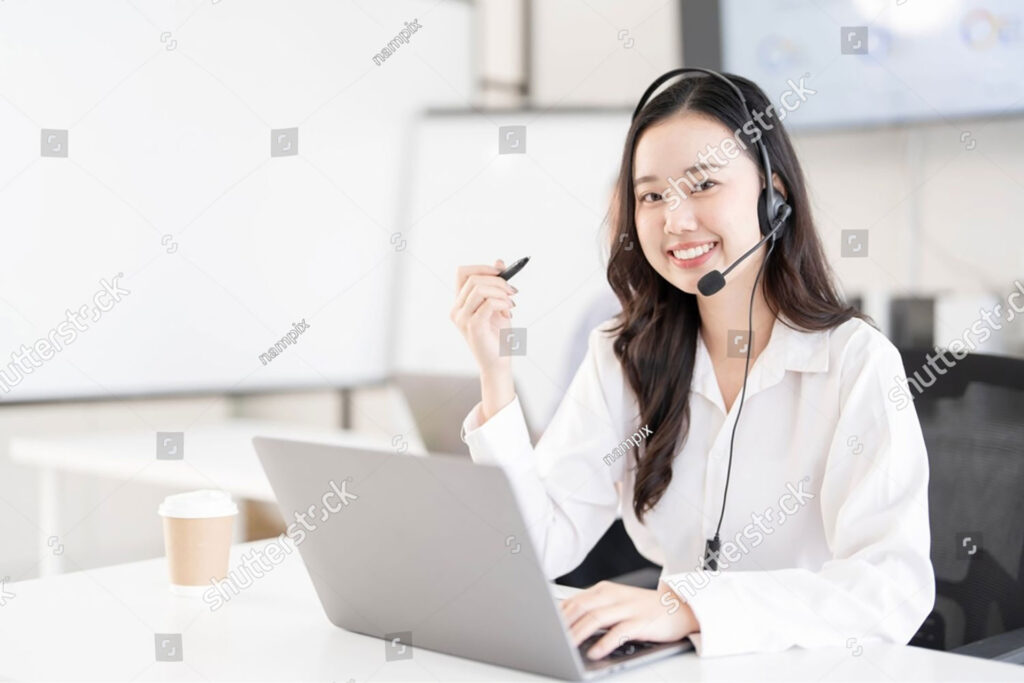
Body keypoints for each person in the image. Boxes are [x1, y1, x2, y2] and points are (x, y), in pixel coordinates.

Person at [448, 71, 934, 660]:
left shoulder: (853, 363)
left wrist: (686, 606)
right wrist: (495, 373)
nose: (675, 220)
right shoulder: (625, 352)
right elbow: (537, 545)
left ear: (772, 197)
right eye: (651, 195)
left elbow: (892, 590)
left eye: (702, 185)